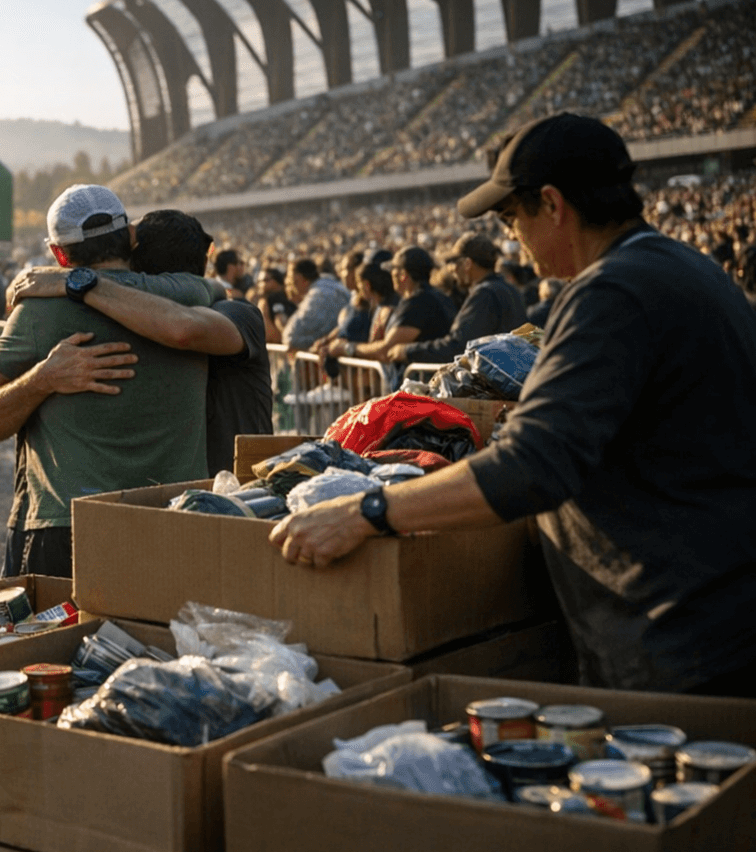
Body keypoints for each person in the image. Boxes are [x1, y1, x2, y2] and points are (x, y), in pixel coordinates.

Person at [271, 113, 756, 696]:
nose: (512, 239)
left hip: (679, 632)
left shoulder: (613, 290)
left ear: (551, 205)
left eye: (511, 218)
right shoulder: (687, 269)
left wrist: (364, 513)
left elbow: (532, 465)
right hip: (718, 607)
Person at [0, 185, 221, 577]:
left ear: (58, 253)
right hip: (173, 518)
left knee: (56, 636)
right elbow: (213, 288)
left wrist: (43, 377)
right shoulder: (192, 295)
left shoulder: (44, 309)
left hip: (67, 522)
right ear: (129, 236)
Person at [2, 208, 268, 477]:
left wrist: (73, 280)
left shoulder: (237, 314)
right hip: (188, 491)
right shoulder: (133, 320)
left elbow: (184, 328)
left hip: (237, 495)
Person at [388, 232, 527, 365]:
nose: (452, 269)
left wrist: (407, 351)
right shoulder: (509, 289)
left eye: (454, 262)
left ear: (467, 263)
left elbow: (458, 347)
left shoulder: (484, 294)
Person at [330, 246, 454, 363]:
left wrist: (347, 348)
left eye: (393, 269)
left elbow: (385, 350)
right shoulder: (438, 296)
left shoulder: (417, 303)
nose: (391, 274)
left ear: (403, 275)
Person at [280, 257, 352, 352]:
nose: (289, 282)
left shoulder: (318, 295)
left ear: (300, 278)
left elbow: (290, 337)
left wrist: (321, 343)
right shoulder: (334, 285)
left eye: (291, 278)